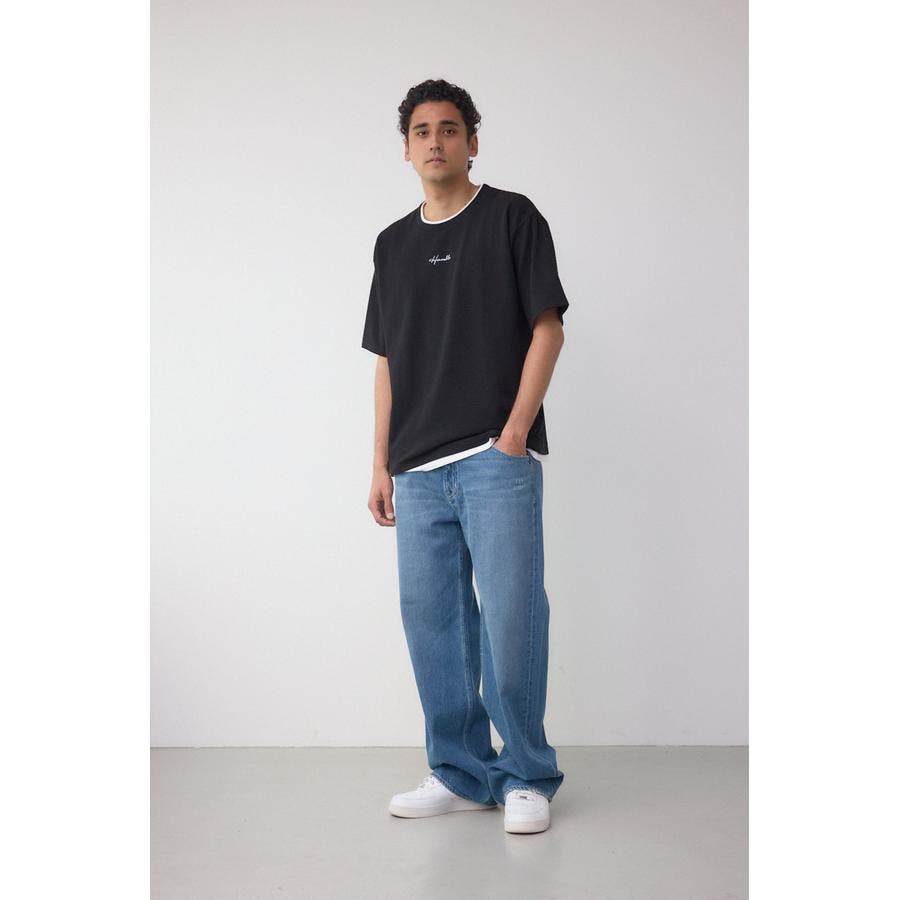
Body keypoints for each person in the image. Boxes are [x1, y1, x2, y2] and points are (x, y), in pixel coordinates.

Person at [361, 78, 570, 834]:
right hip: (416, 470)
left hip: (492, 457)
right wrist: (380, 463)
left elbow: (547, 328)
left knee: (511, 620)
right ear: (407, 148)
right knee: (435, 629)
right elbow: (387, 359)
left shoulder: (512, 217)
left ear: (472, 141)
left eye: (450, 129)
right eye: (421, 131)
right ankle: (459, 771)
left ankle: (526, 775)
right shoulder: (392, 244)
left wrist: (513, 434)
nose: (436, 142)